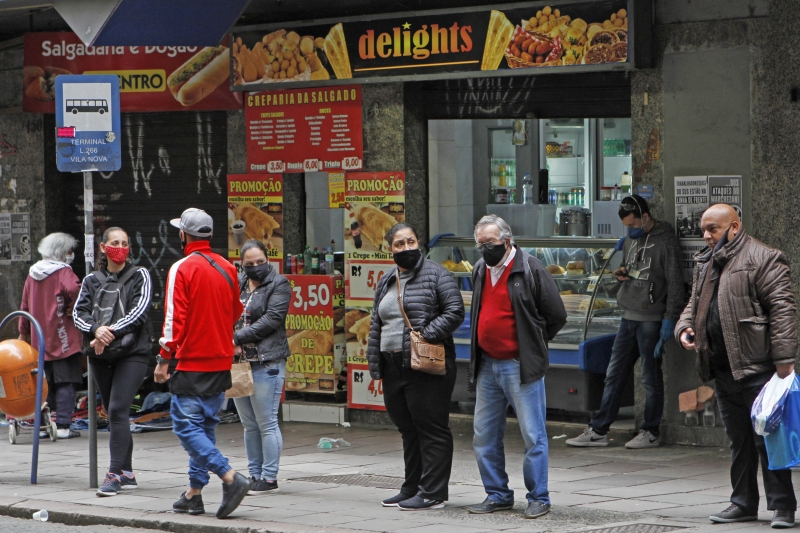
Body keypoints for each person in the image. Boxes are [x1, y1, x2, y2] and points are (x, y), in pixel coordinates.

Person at [676, 204, 797, 529]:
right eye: (704, 229)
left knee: (768, 439)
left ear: (734, 226)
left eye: (713, 229)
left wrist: (784, 361)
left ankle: (783, 506)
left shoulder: (765, 258)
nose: (706, 235)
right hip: (722, 367)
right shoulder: (706, 261)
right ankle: (742, 503)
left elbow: (783, 311)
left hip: (758, 369)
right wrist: (685, 328)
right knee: (739, 441)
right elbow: (694, 303)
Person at [466, 215, 567, 519]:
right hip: (487, 364)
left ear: (507, 241)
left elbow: (556, 314)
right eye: (480, 244)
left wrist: (533, 344)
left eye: (491, 243)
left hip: (519, 364)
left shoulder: (529, 268)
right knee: (483, 434)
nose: (485, 249)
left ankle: (539, 496)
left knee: (532, 434)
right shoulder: (481, 270)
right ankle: (497, 494)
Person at [155, 208, 251, 519]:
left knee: (185, 426)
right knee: (205, 426)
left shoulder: (181, 268)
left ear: (183, 235)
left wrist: (163, 359)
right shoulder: (226, 267)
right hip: (221, 362)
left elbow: (173, 320)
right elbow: (236, 311)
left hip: (192, 360)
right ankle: (194, 494)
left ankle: (229, 477)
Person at [567, 195, 683, 449]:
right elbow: (631, 267)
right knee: (614, 373)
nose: (630, 230)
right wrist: (622, 273)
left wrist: (669, 318)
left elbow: (675, 282)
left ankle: (650, 431)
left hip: (651, 318)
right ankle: (599, 429)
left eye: (633, 225)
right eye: (626, 227)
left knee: (650, 378)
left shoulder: (665, 241)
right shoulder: (630, 240)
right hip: (628, 315)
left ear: (645, 217)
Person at [366, 223, 464, 511]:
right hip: (393, 364)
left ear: (418, 243)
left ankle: (433, 493)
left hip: (426, 364)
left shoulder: (437, 274)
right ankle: (411, 487)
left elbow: (455, 311)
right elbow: (376, 323)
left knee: (431, 428)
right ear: (390, 249)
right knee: (408, 428)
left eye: (410, 241)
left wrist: (426, 334)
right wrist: (377, 364)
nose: (406, 247)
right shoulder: (387, 279)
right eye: (399, 243)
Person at [73, 227, 153, 496]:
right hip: (100, 354)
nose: (121, 247)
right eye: (115, 243)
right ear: (103, 248)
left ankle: (114, 473)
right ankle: (127, 471)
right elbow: (78, 314)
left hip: (133, 353)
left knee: (118, 409)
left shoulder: (140, 275)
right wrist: (96, 330)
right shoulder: (91, 280)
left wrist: (107, 332)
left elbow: (139, 312)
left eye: (125, 243)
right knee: (113, 410)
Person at [232, 239, 291, 495]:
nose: (256, 267)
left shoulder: (280, 284)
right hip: (239, 364)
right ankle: (254, 473)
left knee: (266, 422)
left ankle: (269, 476)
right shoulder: (238, 283)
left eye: (260, 262)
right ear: (242, 265)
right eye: (250, 264)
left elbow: (271, 320)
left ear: (268, 260)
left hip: (267, 362)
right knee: (249, 424)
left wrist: (235, 337)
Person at [18, 232, 83, 439]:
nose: (71, 255)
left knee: (45, 383)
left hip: (40, 338)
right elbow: (75, 289)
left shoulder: (33, 273)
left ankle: (46, 425)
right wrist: (74, 307)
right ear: (62, 252)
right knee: (66, 381)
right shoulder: (63, 272)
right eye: (70, 251)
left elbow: (25, 306)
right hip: (63, 337)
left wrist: (23, 333)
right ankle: (62, 426)